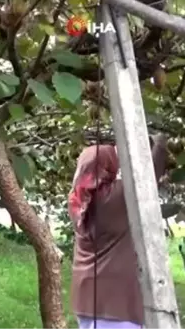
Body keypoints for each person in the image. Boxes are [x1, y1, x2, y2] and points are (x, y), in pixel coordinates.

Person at [69, 135, 168, 329]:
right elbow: (147, 180)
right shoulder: (111, 199)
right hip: (114, 303)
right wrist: (160, 144)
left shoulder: (77, 199)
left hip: (85, 298)